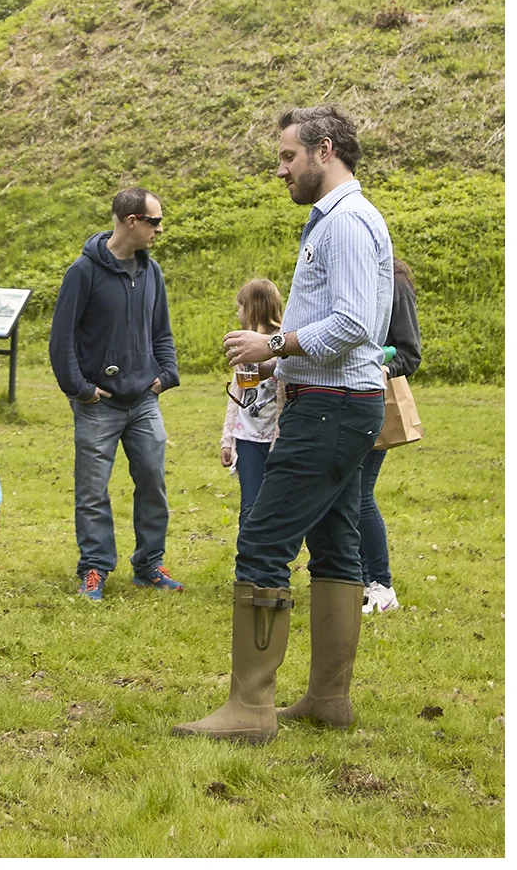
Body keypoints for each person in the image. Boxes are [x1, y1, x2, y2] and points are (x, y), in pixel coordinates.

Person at [173, 104, 392, 744]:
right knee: (336, 544)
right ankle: (329, 699)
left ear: (325, 151)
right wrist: (280, 363)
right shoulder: (343, 218)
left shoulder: (345, 223)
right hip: (341, 402)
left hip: (329, 408)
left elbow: (353, 324)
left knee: (264, 540)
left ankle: (250, 707)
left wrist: (273, 344)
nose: (281, 170)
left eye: (288, 156)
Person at [49, 186, 182, 598]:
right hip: (98, 405)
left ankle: (149, 565)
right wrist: (81, 389)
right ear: (132, 221)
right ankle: (94, 568)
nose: (160, 230)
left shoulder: (151, 272)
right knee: (92, 491)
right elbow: (61, 340)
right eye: (155, 222)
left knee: (153, 483)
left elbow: (161, 331)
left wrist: (167, 374)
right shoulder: (83, 272)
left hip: (144, 401)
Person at [361, 257, 421, 615]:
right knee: (346, 494)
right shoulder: (355, 276)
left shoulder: (396, 284)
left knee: (360, 495)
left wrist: (384, 367)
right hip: (345, 400)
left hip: (373, 402)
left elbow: (410, 353)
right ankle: (359, 581)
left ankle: (381, 586)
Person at [220, 279, 286, 525]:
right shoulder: (243, 346)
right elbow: (236, 395)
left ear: (253, 308)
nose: (238, 312)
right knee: (250, 504)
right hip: (246, 439)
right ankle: (247, 549)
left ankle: (270, 546)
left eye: (240, 306)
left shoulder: (284, 343)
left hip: (276, 439)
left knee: (275, 503)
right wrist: (228, 439)